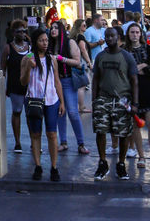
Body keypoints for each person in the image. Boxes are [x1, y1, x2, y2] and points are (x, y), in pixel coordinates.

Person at [92, 25, 138, 180]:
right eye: (107, 36)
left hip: (122, 100)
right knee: (101, 130)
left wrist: (135, 103)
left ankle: (121, 163)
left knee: (123, 133)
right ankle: (103, 162)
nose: (109, 38)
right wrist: (94, 100)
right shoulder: (100, 56)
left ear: (118, 37)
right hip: (103, 98)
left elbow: (134, 80)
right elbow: (95, 79)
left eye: (112, 36)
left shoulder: (126, 56)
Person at [21, 26, 64, 181]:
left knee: (52, 133)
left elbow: (57, 81)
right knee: (35, 134)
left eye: (46, 40)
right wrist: (28, 67)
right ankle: (38, 166)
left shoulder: (52, 59)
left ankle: (54, 167)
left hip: (51, 100)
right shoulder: (28, 58)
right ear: (35, 42)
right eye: (41, 40)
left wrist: (62, 102)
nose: (45, 43)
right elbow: (23, 81)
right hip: (33, 99)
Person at [124, 21, 150, 169]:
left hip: (148, 89)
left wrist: (140, 67)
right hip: (132, 91)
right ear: (128, 34)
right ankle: (141, 156)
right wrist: (141, 67)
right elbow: (126, 71)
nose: (135, 35)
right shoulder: (124, 50)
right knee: (136, 124)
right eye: (132, 32)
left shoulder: (147, 48)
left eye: (137, 32)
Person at [49, 17, 89, 154]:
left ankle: (81, 143)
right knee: (60, 112)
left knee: (72, 112)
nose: (53, 30)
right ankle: (63, 142)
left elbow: (77, 61)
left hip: (67, 80)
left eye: (56, 27)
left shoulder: (69, 42)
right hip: (54, 83)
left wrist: (61, 59)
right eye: (51, 28)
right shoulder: (49, 44)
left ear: (60, 30)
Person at [1, 22, 30, 152]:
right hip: (15, 85)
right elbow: (3, 69)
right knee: (17, 112)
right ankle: (17, 142)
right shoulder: (8, 48)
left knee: (31, 113)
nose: (22, 34)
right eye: (19, 31)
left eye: (24, 31)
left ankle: (34, 140)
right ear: (13, 33)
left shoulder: (30, 47)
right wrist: (3, 86)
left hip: (30, 86)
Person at [70, 19, 93, 113]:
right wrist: (89, 62)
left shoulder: (74, 36)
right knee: (82, 85)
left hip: (77, 62)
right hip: (81, 62)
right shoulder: (80, 37)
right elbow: (83, 49)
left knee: (80, 85)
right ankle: (82, 107)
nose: (86, 27)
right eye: (84, 25)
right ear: (79, 27)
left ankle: (79, 106)